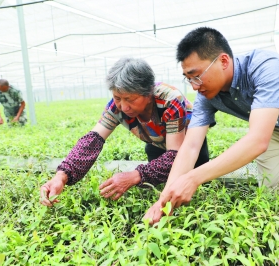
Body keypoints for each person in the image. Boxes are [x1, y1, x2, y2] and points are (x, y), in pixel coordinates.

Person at [144, 27, 279, 224]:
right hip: (275, 131)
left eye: (197, 75)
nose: (194, 86)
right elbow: (190, 147)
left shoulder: (265, 67)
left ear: (223, 61)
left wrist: (193, 178)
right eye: (188, 78)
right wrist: (163, 199)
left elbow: (258, 141)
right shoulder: (205, 96)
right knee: (269, 195)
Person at [39, 57, 209, 206]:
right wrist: (62, 176)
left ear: (148, 93)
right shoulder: (117, 107)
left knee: (195, 183)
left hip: (188, 145)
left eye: (130, 99)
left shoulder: (170, 100)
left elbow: (175, 157)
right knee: (157, 184)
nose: (124, 106)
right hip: (155, 142)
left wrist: (135, 175)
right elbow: (92, 141)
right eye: (117, 98)